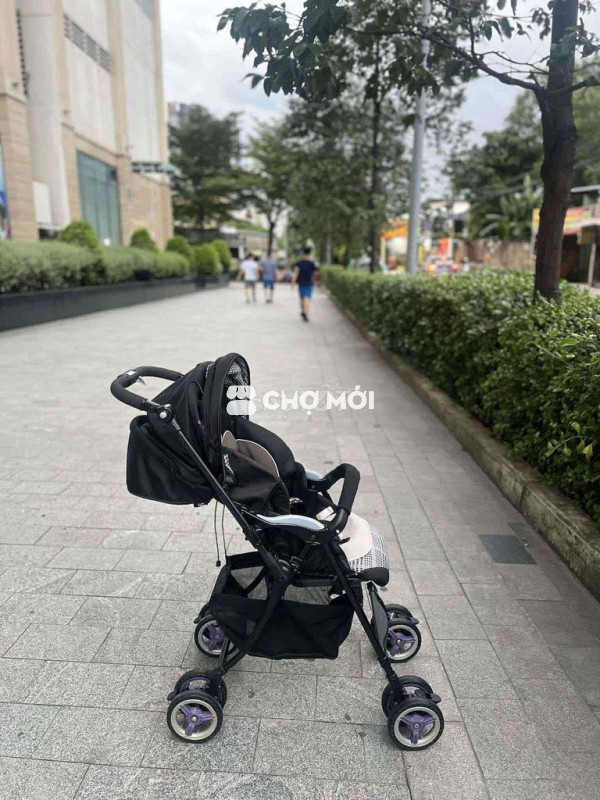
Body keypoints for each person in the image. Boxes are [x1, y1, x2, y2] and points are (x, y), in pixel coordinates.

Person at [291, 246, 319, 322]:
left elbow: (296, 273)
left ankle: (303, 311)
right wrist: (316, 282)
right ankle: (305, 313)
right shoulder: (312, 264)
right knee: (307, 298)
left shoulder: (299, 263)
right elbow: (315, 274)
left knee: (302, 298)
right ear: (309, 254)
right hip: (309, 284)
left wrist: (293, 282)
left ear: (303, 254)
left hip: (301, 283)